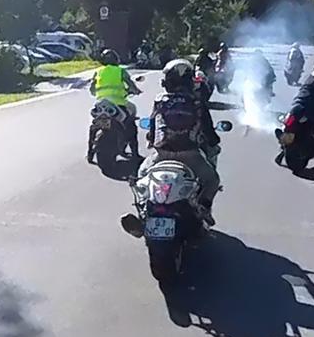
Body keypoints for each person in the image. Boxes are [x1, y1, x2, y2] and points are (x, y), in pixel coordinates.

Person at [123, 59, 222, 235]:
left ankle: (143, 213)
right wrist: (214, 143)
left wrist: (152, 141)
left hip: (161, 155)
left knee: (141, 177)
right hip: (191, 156)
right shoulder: (197, 102)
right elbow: (209, 133)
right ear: (190, 81)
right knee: (212, 180)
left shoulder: (160, 100)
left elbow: (153, 130)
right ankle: (203, 209)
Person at [87, 49, 141, 163]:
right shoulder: (120, 71)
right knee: (130, 123)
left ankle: (89, 152)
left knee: (94, 126)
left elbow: (92, 90)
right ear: (116, 60)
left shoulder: (98, 72)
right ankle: (134, 153)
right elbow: (130, 85)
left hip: (101, 105)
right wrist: (135, 90)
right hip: (118, 104)